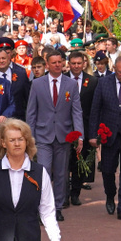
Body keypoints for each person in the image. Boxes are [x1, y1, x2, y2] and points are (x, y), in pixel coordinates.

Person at [26, 51, 83, 222]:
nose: (57, 65)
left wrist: (79, 135)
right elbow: (31, 112)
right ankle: (42, 207)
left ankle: (57, 207)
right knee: (43, 173)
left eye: (60, 62)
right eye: (54, 62)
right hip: (43, 136)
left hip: (64, 136)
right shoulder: (37, 84)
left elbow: (77, 111)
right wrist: (30, 137)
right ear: (47, 64)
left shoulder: (71, 84)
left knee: (61, 174)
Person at [89, 54, 121, 221]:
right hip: (109, 135)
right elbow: (95, 109)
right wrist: (92, 135)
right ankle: (110, 195)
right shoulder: (104, 83)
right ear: (114, 70)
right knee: (107, 170)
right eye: (120, 72)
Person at [67, 51, 98, 206]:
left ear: (84, 63)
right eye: (74, 63)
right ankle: (64, 193)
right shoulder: (63, 78)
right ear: (69, 63)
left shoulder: (92, 82)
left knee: (80, 161)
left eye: (79, 63)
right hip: (65, 128)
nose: (77, 66)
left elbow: (95, 107)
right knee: (65, 162)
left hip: (84, 127)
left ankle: (75, 193)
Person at [0, 39, 30, 124]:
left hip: (18, 119)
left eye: (4, 57)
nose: (1, 61)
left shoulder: (21, 73)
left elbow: (27, 97)